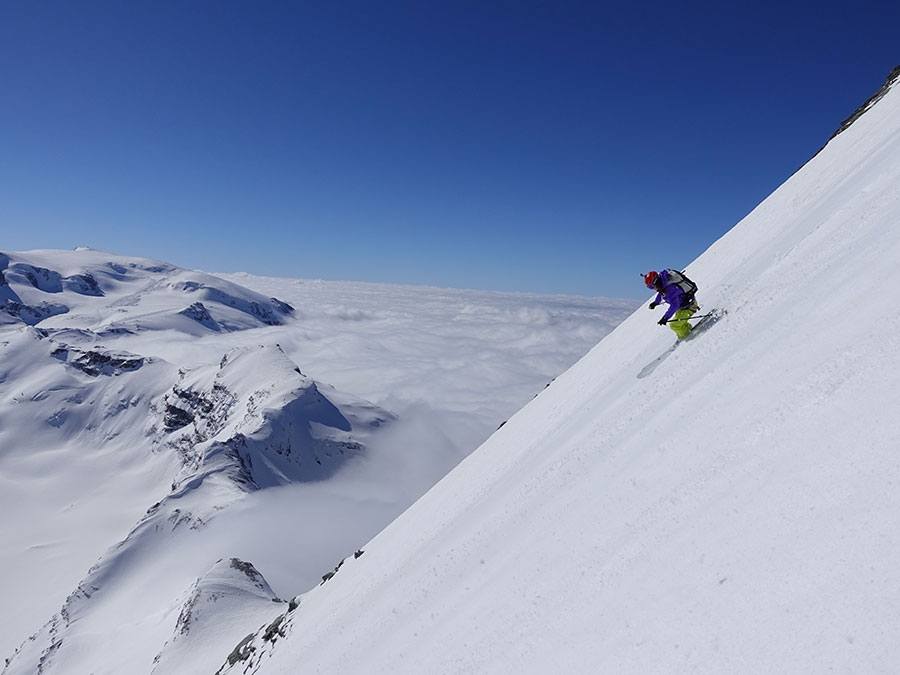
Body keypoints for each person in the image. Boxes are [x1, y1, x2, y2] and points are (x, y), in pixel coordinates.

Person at [644, 269, 699, 339]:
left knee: (674, 325)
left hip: (689, 307)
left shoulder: (670, 289)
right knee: (679, 323)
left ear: (656, 282)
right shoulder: (664, 283)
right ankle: (687, 330)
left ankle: (687, 338)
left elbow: (674, 305)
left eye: (651, 286)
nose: (652, 289)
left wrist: (665, 317)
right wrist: (655, 303)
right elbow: (661, 293)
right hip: (683, 307)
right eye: (649, 287)